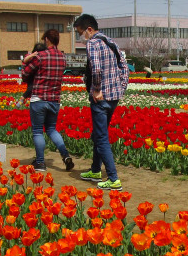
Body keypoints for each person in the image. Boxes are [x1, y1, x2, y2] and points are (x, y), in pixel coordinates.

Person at [75, 14, 129, 191]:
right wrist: (121, 88)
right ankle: (96, 170)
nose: (81, 37)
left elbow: (96, 69)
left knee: (101, 137)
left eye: (80, 32)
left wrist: (97, 89)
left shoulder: (93, 43)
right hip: (114, 96)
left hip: (101, 97)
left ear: (89, 29)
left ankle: (113, 179)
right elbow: (124, 66)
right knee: (99, 134)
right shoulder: (111, 41)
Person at [21, 30, 75, 174]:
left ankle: (40, 162)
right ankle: (65, 155)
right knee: (51, 129)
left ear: (46, 39)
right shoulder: (63, 57)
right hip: (54, 99)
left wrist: (25, 61)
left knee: (38, 131)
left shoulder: (41, 56)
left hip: (39, 98)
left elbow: (25, 73)